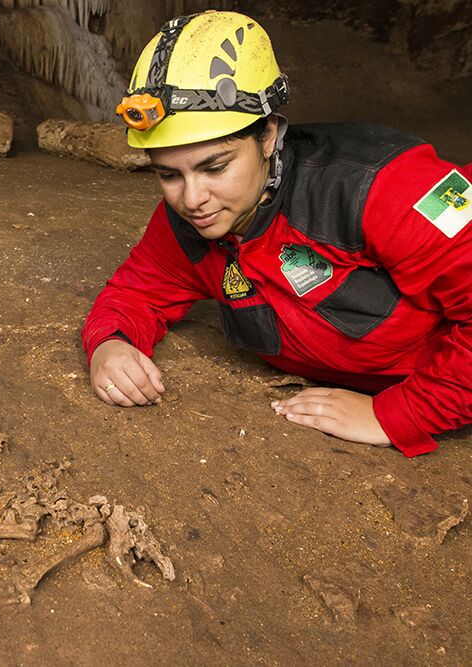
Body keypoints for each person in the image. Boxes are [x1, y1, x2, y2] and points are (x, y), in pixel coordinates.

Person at [82, 11, 472, 457]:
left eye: (215, 167)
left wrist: (401, 413)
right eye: (169, 174)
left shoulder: (386, 188)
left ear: (268, 136)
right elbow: (135, 295)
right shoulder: (189, 224)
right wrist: (110, 344)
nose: (192, 199)